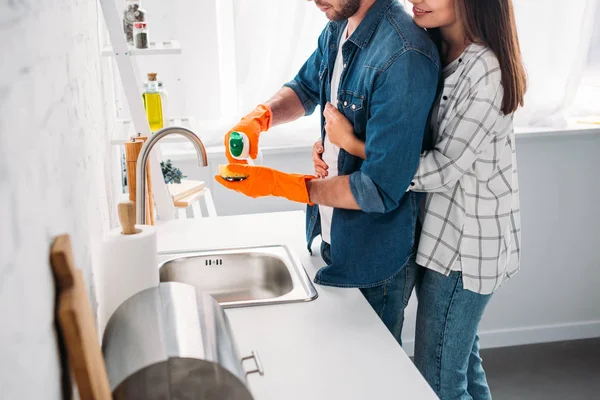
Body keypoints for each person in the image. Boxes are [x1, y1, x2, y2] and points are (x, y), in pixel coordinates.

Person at [313, 0, 526, 398]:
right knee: (462, 363)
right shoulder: (436, 48)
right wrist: (331, 147)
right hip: (439, 234)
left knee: (441, 380)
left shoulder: (486, 70)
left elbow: (443, 168)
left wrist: (351, 144)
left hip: (466, 248)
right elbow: (403, 134)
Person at [216, 0, 440, 346]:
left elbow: (379, 189)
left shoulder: (404, 55)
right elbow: (306, 87)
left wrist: (283, 185)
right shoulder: (340, 23)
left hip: (372, 255)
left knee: (371, 375)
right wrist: (261, 118)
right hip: (333, 236)